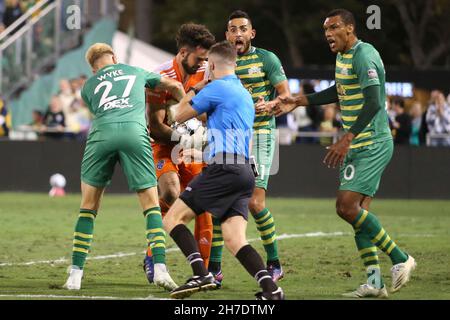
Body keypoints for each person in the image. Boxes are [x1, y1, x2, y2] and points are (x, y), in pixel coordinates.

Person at [274, 9, 415, 298]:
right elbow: (338, 91)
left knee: (345, 207)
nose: (327, 33)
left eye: (334, 27)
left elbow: (376, 101)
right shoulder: (342, 58)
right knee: (358, 213)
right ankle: (375, 282)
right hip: (358, 144)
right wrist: (298, 101)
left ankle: (400, 258)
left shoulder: (365, 55)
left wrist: (347, 138)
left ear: (349, 29)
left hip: (372, 142)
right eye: (325, 28)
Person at [163, 40, 284, 300]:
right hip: (244, 171)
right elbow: (221, 124)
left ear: (213, 65)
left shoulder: (215, 87)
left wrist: (196, 86)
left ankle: (200, 273)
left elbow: (177, 114)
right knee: (234, 239)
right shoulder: (242, 93)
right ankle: (271, 289)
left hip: (224, 168)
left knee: (172, 219)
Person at [63, 43, 185, 291]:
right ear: (114, 57)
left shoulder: (87, 87)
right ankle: (160, 269)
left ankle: (75, 275)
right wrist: (181, 109)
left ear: (93, 66)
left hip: (101, 135)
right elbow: (174, 86)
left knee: (88, 207)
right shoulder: (135, 71)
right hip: (133, 131)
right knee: (151, 204)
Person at [206, 10, 290, 284]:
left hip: (260, 135)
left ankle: (274, 261)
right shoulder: (217, 62)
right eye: (233, 29)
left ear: (252, 33)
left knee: (254, 202)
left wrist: (272, 104)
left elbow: (286, 95)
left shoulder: (267, 59)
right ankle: (214, 269)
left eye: (243, 28)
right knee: (219, 202)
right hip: (227, 139)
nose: (238, 33)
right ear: (227, 35)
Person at [144, 23, 215, 285]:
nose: (203, 64)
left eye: (206, 59)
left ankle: (205, 272)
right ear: (184, 52)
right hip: (165, 144)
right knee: (171, 192)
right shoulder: (159, 76)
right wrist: (185, 137)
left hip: (196, 148)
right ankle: (154, 251)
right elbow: (155, 126)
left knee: (201, 204)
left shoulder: (208, 72)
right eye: (199, 58)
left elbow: (210, 112)